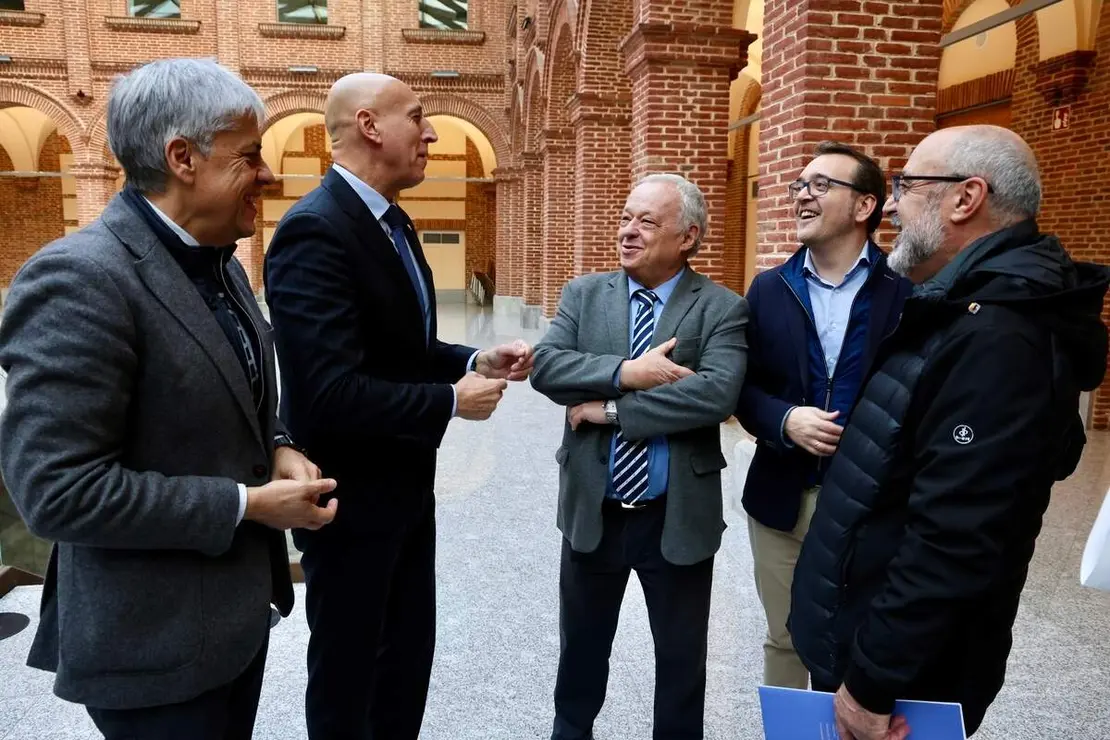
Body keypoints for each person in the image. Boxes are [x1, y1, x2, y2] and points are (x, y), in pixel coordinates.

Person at [0, 58, 337, 739]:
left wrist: (278, 445)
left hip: (231, 627)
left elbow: (233, 392)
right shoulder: (80, 280)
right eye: (249, 156)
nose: (269, 176)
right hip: (151, 653)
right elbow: (57, 491)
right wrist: (247, 505)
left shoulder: (220, 261)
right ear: (182, 157)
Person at [789, 125, 1110, 739]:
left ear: (966, 199)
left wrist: (873, 679)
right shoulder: (963, 306)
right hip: (874, 636)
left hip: (910, 676)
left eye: (907, 186)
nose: (890, 207)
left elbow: (956, 536)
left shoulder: (999, 337)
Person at [263, 72, 533, 740]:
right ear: (369, 126)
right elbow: (326, 393)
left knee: (405, 664)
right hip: (349, 505)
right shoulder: (313, 232)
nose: (433, 132)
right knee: (349, 677)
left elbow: (405, 345)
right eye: (418, 117)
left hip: (407, 495)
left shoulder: (393, 221)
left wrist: (472, 361)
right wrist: (448, 400)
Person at [530, 174, 748, 740]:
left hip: (675, 514)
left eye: (647, 222)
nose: (628, 230)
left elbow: (715, 394)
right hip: (592, 510)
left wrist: (608, 411)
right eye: (626, 217)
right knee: (581, 652)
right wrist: (631, 373)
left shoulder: (722, 309)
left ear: (688, 237)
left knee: (681, 665)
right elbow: (549, 368)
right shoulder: (584, 294)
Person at [735, 141, 911, 688]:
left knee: (857, 640)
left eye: (821, 185)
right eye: (799, 185)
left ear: (865, 207)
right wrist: (784, 419)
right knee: (784, 637)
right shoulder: (769, 289)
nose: (802, 196)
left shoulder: (907, 293)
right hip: (781, 499)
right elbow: (742, 389)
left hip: (868, 505)